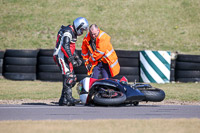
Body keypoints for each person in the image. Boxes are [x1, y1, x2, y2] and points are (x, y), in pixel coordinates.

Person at [53, 17, 89, 106]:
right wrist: (71, 58)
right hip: (60, 56)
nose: (82, 32)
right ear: (78, 26)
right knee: (69, 77)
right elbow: (65, 46)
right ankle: (69, 98)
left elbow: (71, 47)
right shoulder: (68, 32)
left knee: (72, 79)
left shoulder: (72, 32)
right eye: (81, 29)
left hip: (65, 56)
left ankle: (63, 100)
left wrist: (76, 57)